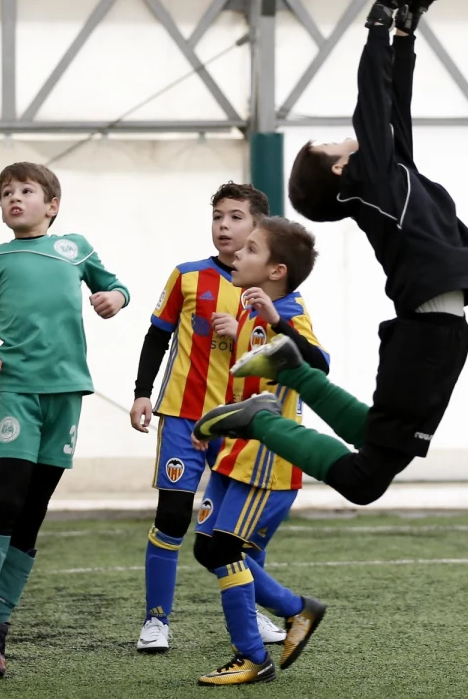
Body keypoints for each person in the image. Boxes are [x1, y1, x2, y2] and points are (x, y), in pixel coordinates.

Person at [194, 0, 468, 509]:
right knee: (364, 479)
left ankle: (292, 370)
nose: (350, 134)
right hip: (428, 332)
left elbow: (393, 103)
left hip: (436, 332)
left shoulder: (392, 172)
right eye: (336, 141)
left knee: (379, 440)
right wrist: (378, 20)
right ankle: (263, 419)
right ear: (341, 168)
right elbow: (371, 97)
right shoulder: (373, 180)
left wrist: (409, 27)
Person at [0, 162, 130, 677]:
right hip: (17, 393)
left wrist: (112, 299)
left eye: (26, 191)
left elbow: (117, 286)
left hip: (67, 396)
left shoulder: (75, 248)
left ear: (51, 204)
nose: (15, 198)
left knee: (33, 511)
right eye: (7, 192)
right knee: (6, 499)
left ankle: (0, 624)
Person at [130, 183, 290, 652]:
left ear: (257, 226)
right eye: (218, 216)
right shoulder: (187, 275)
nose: (224, 225)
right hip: (183, 415)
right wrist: (142, 393)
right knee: (174, 516)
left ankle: (250, 612)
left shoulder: (271, 289)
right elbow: (156, 337)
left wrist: (243, 328)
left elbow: (285, 351)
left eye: (236, 216)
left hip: (239, 422)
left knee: (231, 528)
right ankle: (156, 620)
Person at [191, 216, 329, 686]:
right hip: (235, 452)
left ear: (277, 270)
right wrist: (213, 425)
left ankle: (253, 657)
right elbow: (246, 385)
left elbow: (319, 364)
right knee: (208, 549)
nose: (237, 252)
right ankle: (296, 609)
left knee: (226, 549)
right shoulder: (250, 307)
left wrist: (280, 323)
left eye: (251, 248)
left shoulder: (287, 307)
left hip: (266, 460)